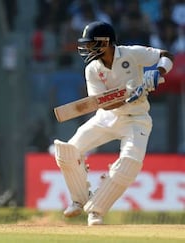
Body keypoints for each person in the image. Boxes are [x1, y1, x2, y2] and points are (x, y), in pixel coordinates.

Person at [53, 21, 174, 226]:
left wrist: (157, 73)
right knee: (67, 151)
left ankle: (96, 211)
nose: (87, 49)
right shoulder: (92, 69)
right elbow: (102, 103)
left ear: (106, 42)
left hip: (136, 119)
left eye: (92, 44)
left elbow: (166, 55)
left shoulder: (131, 53)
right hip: (107, 117)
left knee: (129, 164)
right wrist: (128, 95)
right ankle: (79, 198)